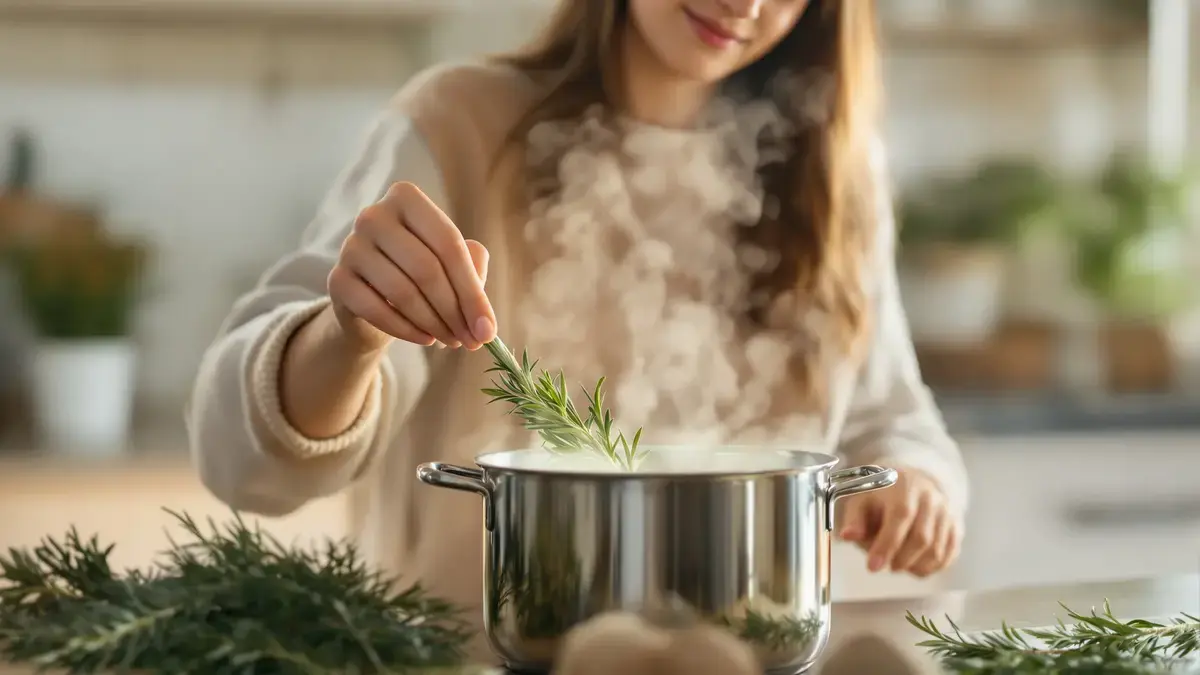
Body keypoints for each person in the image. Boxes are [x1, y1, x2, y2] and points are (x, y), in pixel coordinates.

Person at [187, 0, 969, 659]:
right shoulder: (460, 124)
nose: (748, 3)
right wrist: (349, 332)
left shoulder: (835, 172)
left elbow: (889, 418)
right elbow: (242, 462)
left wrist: (916, 479)